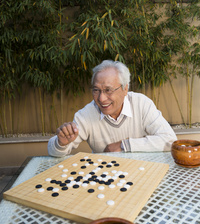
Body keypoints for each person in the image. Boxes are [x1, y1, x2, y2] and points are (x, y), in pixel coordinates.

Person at [48, 60, 177, 157]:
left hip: (142, 173)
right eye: (96, 90)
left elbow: (170, 140)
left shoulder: (141, 104)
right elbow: (54, 152)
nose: (101, 98)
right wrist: (61, 143)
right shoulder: (86, 114)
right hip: (105, 179)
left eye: (108, 90)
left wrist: (124, 145)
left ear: (125, 89)